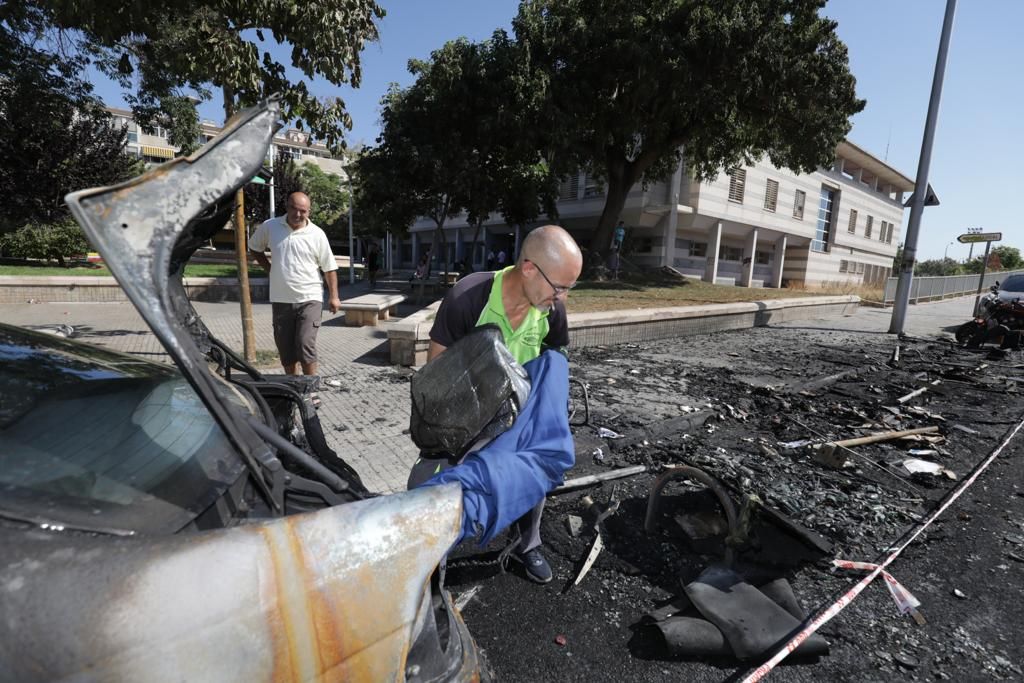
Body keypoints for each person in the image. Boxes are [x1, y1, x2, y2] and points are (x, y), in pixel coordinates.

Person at [408, 225, 583, 584]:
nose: (563, 297)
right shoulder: (470, 297)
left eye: (569, 288)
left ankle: (528, 544)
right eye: (560, 286)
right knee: (428, 489)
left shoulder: (552, 311)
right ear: (530, 268)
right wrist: (461, 437)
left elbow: (554, 366)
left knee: (531, 476)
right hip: (465, 419)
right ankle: (421, 559)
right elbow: (436, 375)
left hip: (516, 418)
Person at [248, 192, 340, 376]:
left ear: (309, 211)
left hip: (310, 298)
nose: (298, 214)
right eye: (294, 209)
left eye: (303, 211)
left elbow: (329, 267)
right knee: (286, 349)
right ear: (287, 206)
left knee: (305, 344)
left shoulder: (317, 234)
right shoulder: (271, 226)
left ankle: (310, 390)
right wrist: (270, 269)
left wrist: (334, 297)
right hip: (281, 299)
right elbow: (254, 247)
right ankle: (293, 387)